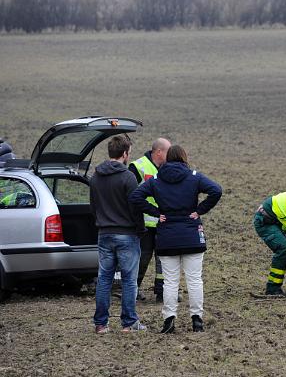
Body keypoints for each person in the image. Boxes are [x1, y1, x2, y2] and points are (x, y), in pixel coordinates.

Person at [130, 145, 222, 332]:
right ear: (184, 157)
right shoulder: (194, 177)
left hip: (167, 236)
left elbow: (135, 196)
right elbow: (216, 190)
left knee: (170, 282)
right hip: (191, 235)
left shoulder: (156, 179)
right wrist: (199, 210)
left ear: (167, 159)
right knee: (195, 280)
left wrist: (156, 212)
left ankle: (169, 320)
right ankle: (197, 320)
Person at [89, 134, 146, 333]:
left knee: (104, 279)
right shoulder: (128, 177)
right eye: (129, 153)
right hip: (127, 235)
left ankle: (100, 324)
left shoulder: (95, 176)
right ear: (124, 153)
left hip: (104, 234)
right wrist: (140, 229)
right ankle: (129, 323)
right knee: (129, 280)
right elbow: (135, 208)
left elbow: (93, 206)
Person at [129, 137, 171, 301]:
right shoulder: (138, 166)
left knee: (164, 259)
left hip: (162, 223)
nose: (170, 155)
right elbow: (130, 195)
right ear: (159, 152)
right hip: (144, 224)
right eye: (168, 151)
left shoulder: (168, 168)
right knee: (141, 258)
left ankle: (162, 292)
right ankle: (133, 290)